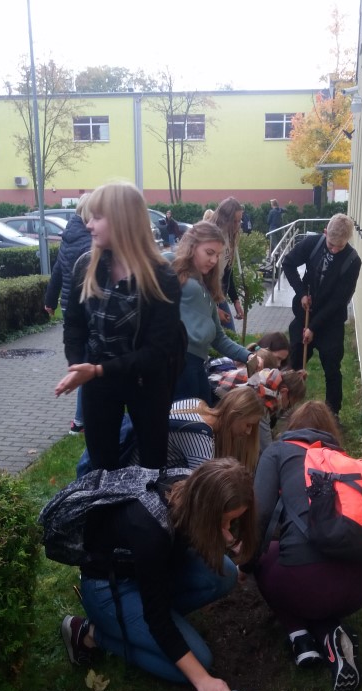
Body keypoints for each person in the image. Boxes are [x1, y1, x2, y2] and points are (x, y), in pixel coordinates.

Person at [61, 458, 257, 691]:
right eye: (225, 522)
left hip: (147, 572)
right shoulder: (151, 531)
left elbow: (176, 552)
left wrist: (221, 534)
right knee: (199, 662)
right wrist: (203, 681)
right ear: (207, 512)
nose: (228, 530)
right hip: (108, 589)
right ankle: (89, 633)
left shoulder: (190, 487)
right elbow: (157, 618)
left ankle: (138, 626)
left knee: (224, 574)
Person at [240, 401, 362, 691]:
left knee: (269, 558)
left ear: (293, 428)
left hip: (310, 586)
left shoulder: (278, 451)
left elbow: (260, 516)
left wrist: (246, 563)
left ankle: (299, 636)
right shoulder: (344, 461)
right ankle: (330, 636)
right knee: (318, 585)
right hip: (361, 587)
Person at [54, 181, 182, 471]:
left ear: (123, 220)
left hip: (146, 382)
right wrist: (77, 366)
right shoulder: (86, 266)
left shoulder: (161, 276)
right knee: (101, 469)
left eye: (97, 217)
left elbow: (157, 352)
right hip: (98, 383)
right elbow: (73, 324)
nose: (88, 225)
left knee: (152, 468)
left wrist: (97, 370)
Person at [76, 388, 265, 477]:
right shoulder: (201, 436)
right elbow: (202, 494)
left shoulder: (197, 405)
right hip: (134, 477)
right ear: (234, 415)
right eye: (248, 425)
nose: (248, 432)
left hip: (130, 461)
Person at [283, 214, 361, 422]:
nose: (334, 250)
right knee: (295, 362)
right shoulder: (313, 244)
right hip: (304, 315)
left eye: (339, 246)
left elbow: (339, 300)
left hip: (331, 322)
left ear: (347, 240)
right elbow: (288, 263)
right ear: (325, 233)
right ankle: (286, 405)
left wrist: (314, 327)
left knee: (332, 368)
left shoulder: (352, 261)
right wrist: (301, 293)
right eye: (331, 244)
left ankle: (332, 414)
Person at [168, 220, 256, 404]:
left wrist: (248, 355)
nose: (214, 260)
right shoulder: (174, 271)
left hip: (198, 365)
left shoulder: (204, 287)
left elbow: (219, 338)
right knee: (189, 418)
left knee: (204, 415)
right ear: (192, 246)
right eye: (209, 253)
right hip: (179, 365)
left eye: (217, 255)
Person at [44, 194, 92, 436]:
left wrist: (50, 300)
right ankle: (79, 421)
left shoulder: (69, 236)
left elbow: (57, 270)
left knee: (82, 362)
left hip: (68, 306)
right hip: (85, 308)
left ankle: (80, 419)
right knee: (87, 364)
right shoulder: (90, 241)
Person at [210, 197, 244, 330]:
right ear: (224, 219)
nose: (237, 225)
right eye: (234, 221)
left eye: (239, 220)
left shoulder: (230, 237)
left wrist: (236, 300)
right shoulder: (211, 238)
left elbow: (227, 271)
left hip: (218, 295)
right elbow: (200, 279)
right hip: (203, 295)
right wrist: (213, 309)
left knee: (230, 334)